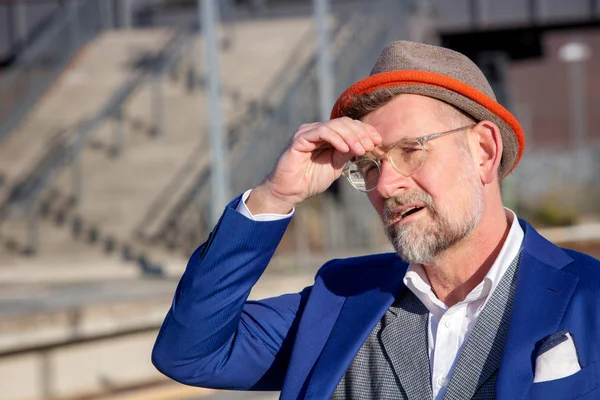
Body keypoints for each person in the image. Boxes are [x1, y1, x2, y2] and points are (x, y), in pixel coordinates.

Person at [152, 41, 600, 399]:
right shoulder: (341, 300)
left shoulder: (589, 295)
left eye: (411, 150)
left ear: (483, 151)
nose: (385, 184)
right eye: (368, 166)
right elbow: (190, 354)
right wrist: (275, 196)